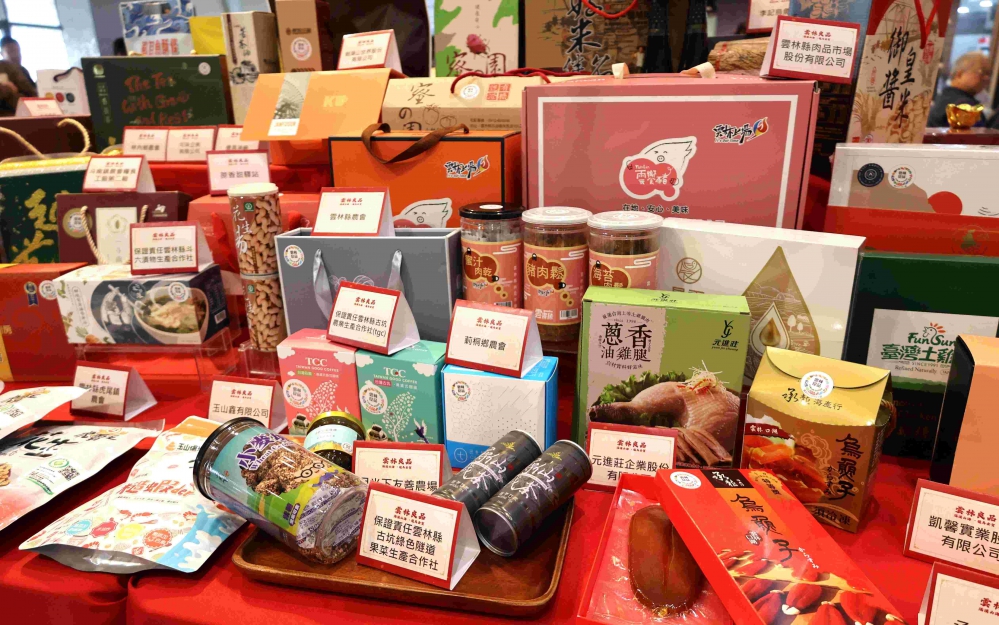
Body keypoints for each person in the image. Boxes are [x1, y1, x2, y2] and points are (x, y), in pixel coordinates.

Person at [927, 51, 990, 127]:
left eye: (989, 74)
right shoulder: (963, 106)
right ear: (960, 74)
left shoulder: (945, 96)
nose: (987, 78)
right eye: (982, 72)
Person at [0, 37, 38, 117]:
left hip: (30, 112)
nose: (16, 55)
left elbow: (32, 93)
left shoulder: (23, 70)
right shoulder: (2, 67)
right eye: (11, 51)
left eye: (18, 51)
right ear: (2, 53)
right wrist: (8, 88)